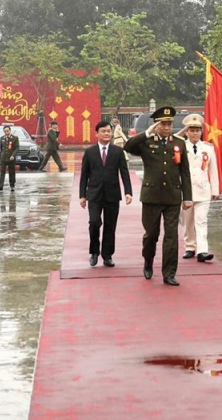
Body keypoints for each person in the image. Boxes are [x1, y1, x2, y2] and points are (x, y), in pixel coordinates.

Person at [124, 106, 192, 286]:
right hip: (151, 197)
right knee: (151, 235)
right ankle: (148, 262)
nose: (167, 127)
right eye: (163, 124)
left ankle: (169, 273)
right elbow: (128, 146)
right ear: (156, 125)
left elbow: (185, 173)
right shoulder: (147, 142)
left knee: (171, 236)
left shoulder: (179, 143)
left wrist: (187, 197)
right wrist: (146, 133)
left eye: (169, 124)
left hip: (172, 197)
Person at [79, 121, 133, 267]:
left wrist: (128, 191)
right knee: (94, 222)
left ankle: (107, 255)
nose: (107, 133)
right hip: (94, 195)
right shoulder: (89, 152)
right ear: (97, 133)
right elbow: (84, 175)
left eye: (109, 131)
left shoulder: (118, 151)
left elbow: (124, 172)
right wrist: (82, 195)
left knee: (110, 226)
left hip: (112, 194)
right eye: (104, 131)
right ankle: (94, 252)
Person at [179, 114, 220, 262]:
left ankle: (202, 250)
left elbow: (213, 170)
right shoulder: (181, 147)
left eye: (197, 130)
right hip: (186, 191)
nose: (195, 133)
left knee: (201, 221)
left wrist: (215, 190)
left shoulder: (208, 148)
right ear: (186, 131)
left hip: (203, 190)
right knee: (187, 221)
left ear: (201, 132)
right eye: (192, 130)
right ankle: (190, 247)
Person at [0, 125, 19, 191]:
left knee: (11, 172)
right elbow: (1, 148)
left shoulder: (15, 138)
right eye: (5, 131)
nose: (6, 132)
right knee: (2, 172)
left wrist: (13, 155)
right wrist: (0, 157)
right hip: (3, 158)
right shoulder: (2, 138)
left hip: (11, 158)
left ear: (10, 130)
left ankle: (12, 186)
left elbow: (17, 148)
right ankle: (0, 186)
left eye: (7, 131)